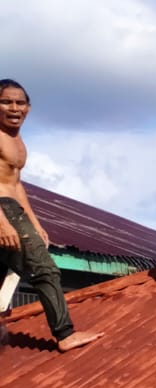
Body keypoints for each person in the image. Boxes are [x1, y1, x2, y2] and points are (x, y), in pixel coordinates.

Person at [0, 79, 101, 351]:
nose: (14, 107)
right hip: (1, 211)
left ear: (28, 108)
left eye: (19, 102)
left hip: (12, 208)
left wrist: (35, 223)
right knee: (45, 269)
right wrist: (2, 223)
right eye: (6, 101)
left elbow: (16, 185)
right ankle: (65, 334)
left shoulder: (18, 142)